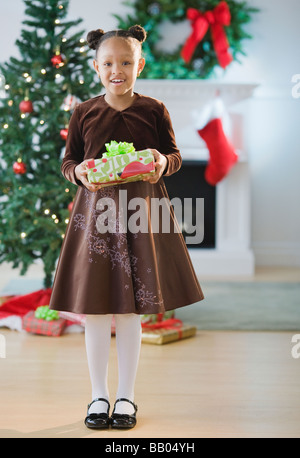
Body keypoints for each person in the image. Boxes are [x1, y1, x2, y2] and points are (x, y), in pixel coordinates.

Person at [49, 25, 204, 430]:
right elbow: (69, 162)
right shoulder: (84, 111)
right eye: (109, 63)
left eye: (126, 63)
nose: (117, 70)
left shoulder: (154, 109)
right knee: (97, 310)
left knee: (130, 309)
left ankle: (126, 397)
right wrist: (79, 172)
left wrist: (159, 161)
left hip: (141, 215)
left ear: (140, 64)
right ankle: (98, 394)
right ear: (96, 66)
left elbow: (173, 156)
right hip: (96, 222)